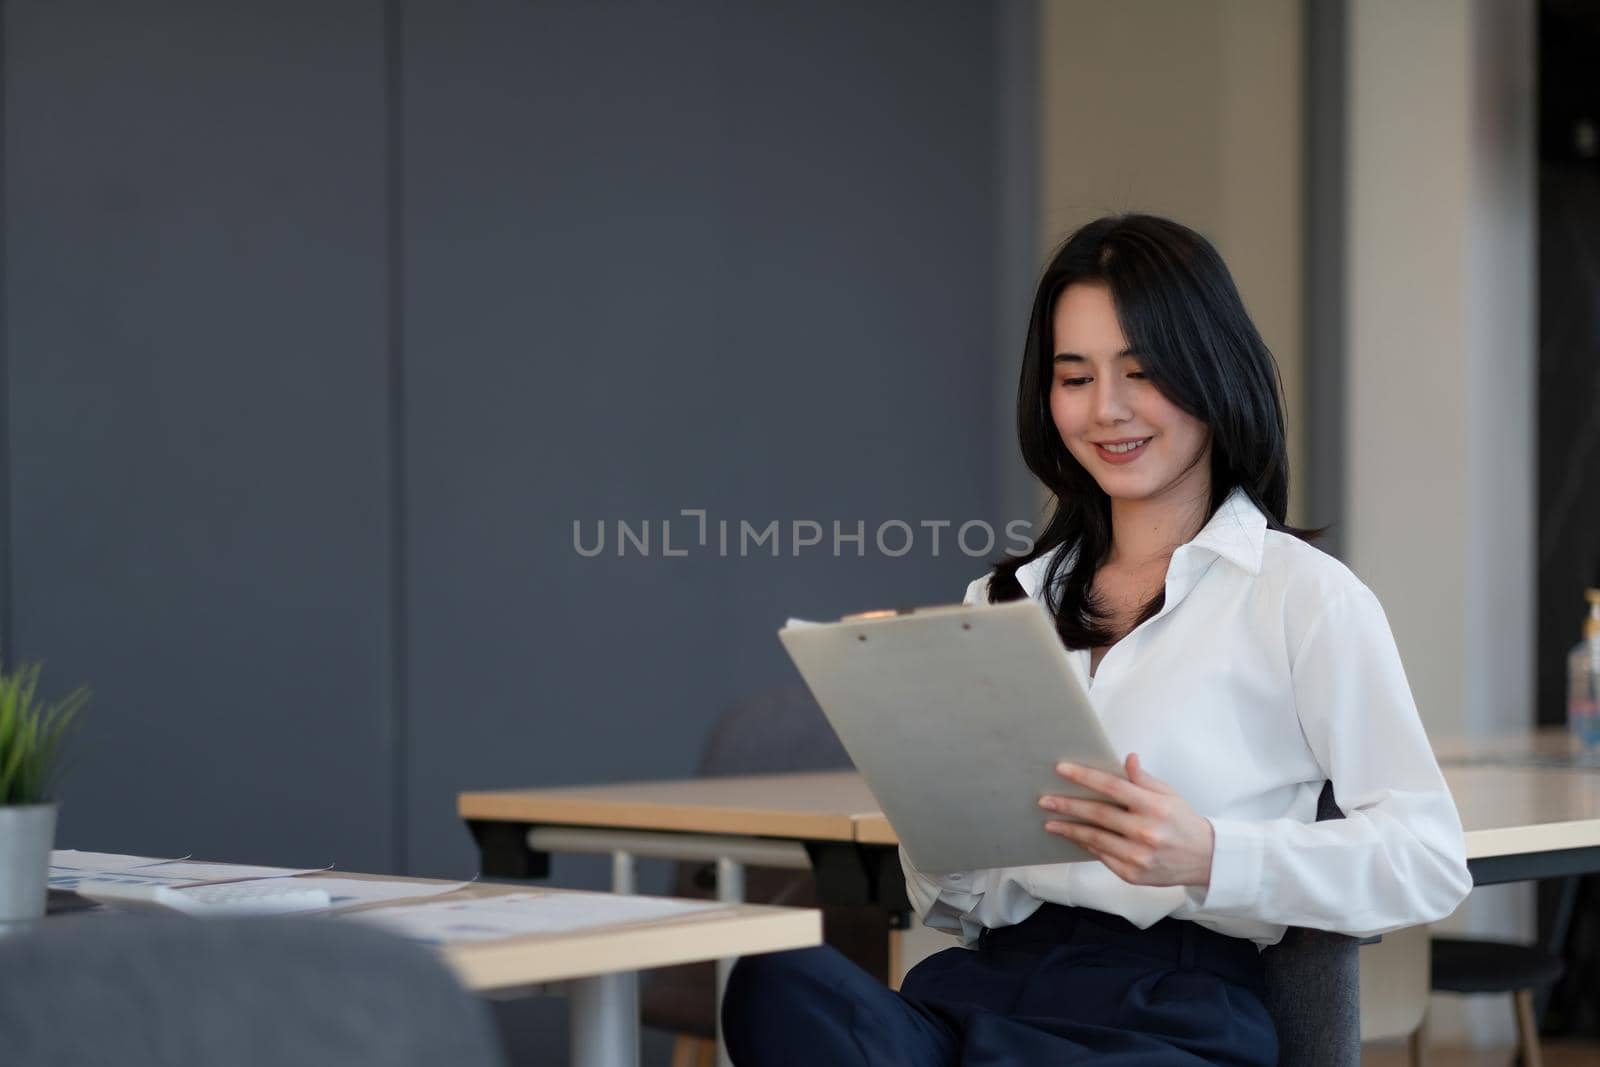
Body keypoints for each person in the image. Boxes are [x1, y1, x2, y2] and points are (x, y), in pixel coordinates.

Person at [720, 214, 1473, 1065]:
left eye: (1142, 372)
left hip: (1174, 1013)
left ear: (1211, 374)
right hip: (989, 989)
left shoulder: (1302, 596)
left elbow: (1428, 858)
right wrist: (927, 782)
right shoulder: (1005, 601)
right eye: (1074, 377)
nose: (1106, 409)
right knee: (776, 979)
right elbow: (953, 901)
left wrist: (1213, 854)